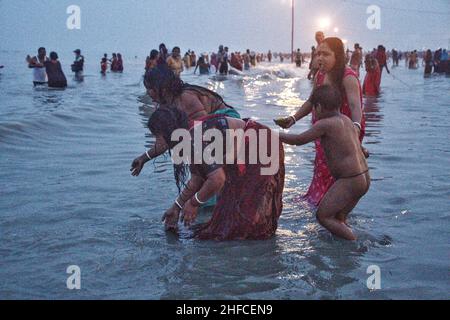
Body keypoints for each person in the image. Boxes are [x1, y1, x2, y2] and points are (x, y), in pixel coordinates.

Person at [148, 108, 285, 240]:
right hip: (244, 147)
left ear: (167, 131)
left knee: (250, 213)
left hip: (261, 145)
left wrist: (194, 203)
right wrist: (176, 207)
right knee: (231, 217)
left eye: (157, 136)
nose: (157, 142)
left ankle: (255, 254)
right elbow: (197, 179)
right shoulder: (189, 135)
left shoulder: (196, 138)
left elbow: (217, 179)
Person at [275, 37, 366, 206]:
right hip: (323, 129)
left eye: (325, 54)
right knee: (323, 166)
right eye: (318, 54)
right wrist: (293, 118)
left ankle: (333, 211)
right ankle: (321, 203)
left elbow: (356, 107)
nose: (320, 58)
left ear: (337, 56)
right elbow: (311, 101)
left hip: (345, 131)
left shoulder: (348, 77)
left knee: (340, 170)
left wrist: (355, 131)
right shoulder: (320, 75)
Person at [279, 85, 370, 240]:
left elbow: (298, 140)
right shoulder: (347, 120)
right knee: (338, 217)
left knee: (323, 216)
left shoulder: (324, 124)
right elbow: (358, 145)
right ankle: (344, 239)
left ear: (319, 107)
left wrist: (275, 134)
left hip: (350, 180)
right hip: (365, 178)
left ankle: (354, 242)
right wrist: (362, 150)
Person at [131, 64, 241, 175]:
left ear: (162, 89)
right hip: (208, 130)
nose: (148, 93)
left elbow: (207, 127)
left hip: (227, 120)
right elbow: (163, 143)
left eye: (149, 89)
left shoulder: (186, 97)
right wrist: (143, 158)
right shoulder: (163, 107)